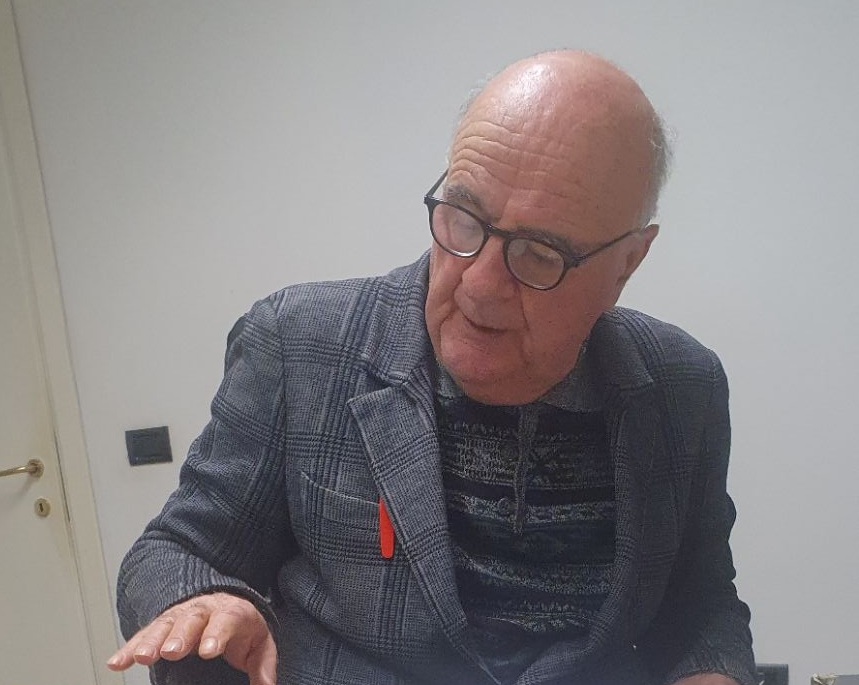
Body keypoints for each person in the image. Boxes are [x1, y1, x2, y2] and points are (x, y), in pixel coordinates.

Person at [108, 50, 755, 685]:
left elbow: (701, 603)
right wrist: (203, 600)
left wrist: (711, 670)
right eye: (464, 218)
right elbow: (173, 550)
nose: (478, 286)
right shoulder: (299, 343)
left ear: (627, 264)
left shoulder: (684, 384)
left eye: (540, 254)